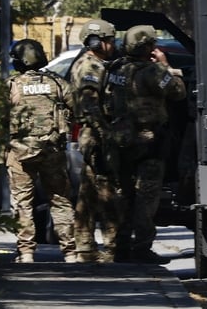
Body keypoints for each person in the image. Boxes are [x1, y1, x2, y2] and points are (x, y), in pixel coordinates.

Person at [104, 25, 186, 264]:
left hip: (120, 141)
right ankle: (141, 248)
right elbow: (178, 92)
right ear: (147, 47)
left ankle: (119, 246)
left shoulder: (115, 69)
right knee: (146, 197)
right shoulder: (153, 72)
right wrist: (165, 65)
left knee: (124, 195)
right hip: (148, 141)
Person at [5, 39, 76, 263]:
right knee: (60, 200)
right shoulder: (57, 83)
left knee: (23, 202)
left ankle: (26, 252)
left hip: (20, 153)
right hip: (52, 150)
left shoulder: (11, 85)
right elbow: (79, 108)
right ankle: (70, 252)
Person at [70, 19, 122, 263]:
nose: (113, 45)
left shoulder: (92, 63)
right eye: (110, 40)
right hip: (97, 134)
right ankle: (112, 248)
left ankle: (85, 248)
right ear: (97, 42)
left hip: (92, 133)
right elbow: (90, 104)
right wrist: (106, 134)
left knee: (88, 192)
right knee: (106, 192)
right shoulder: (92, 66)